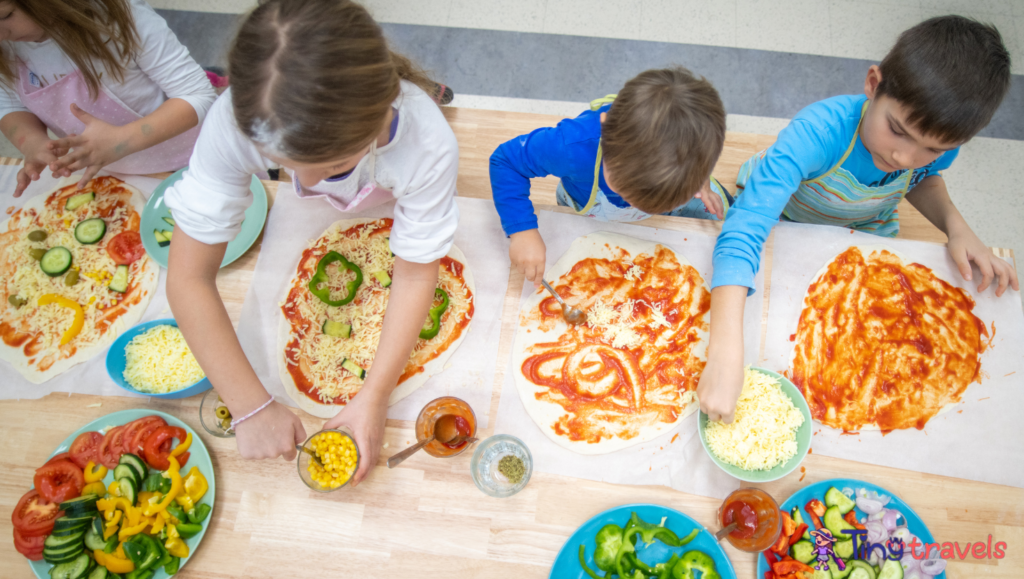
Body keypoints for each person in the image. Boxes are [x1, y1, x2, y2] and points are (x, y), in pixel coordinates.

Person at [163, 0, 459, 487]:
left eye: (334, 168)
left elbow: (414, 272)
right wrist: (250, 406)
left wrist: (374, 395)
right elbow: (188, 278)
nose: (303, 181)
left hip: (393, 205)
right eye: (281, 165)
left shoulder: (426, 143)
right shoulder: (234, 121)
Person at [698, 16, 1019, 423]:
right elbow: (744, 230)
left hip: (863, 230)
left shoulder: (936, 148)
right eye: (897, 131)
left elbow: (921, 178)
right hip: (785, 219)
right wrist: (725, 355)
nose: (904, 158)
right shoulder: (817, 134)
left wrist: (957, 226)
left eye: (932, 148)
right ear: (873, 84)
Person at [489, 67, 728, 282]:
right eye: (623, 188)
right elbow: (506, 161)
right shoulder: (570, 146)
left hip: (672, 196)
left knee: (725, 219)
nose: (637, 205)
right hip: (589, 203)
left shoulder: (692, 149)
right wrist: (522, 230)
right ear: (605, 127)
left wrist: (701, 182)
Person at [0, 0, 216, 196]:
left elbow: (197, 95)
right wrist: (31, 142)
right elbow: (9, 102)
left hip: (192, 159)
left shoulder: (123, 19)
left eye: (5, 15)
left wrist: (120, 141)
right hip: (112, 172)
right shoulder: (5, 45)